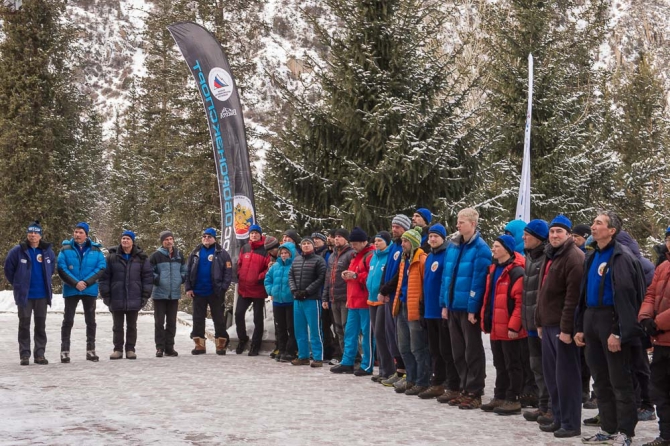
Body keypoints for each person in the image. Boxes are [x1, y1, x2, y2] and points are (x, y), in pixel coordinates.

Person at [575, 211, 646, 446]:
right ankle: (607, 427)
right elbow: (583, 294)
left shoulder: (621, 257)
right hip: (591, 318)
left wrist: (619, 331)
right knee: (600, 379)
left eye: (598, 223)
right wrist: (580, 326)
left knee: (620, 379)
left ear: (612, 230)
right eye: (594, 223)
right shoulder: (592, 255)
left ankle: (626, 431)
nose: (593, 227)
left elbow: (627, 297)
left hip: (611, 319)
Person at [535, 215, 584, 438]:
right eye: (552, 231)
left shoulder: (574, 257)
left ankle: (571, 422)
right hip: (548, 324)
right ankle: (558, 417)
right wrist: (539, 321)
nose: (554, 235)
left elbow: (572, 299)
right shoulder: (551, 255)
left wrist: (566, 330)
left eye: (559, 232)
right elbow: (542, 292)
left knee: (566, 378)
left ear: (568, 235)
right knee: (552, 377)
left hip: (563, 328)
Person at [439, 208, 491, 409]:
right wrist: (444, 303)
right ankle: (463, 386)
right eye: (457, 221)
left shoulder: (481, 249)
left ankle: (475, 390)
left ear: (473, 224)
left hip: (468, 309)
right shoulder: (453, 246)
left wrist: (473, 308)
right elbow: (447, 277)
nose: (458, 225)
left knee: (472, 351)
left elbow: (478, 282)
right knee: (458, 351)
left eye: (462, 222)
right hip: (453, 306)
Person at [480, 235, 527, 415]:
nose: (493, 249)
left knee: (513, 364)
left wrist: (514, 326)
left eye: (497, 246)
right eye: (493, 245)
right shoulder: (493, 269)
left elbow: (519, 302)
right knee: (500, 364)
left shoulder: (516, 271)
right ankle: (499, 395)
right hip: (496, 326)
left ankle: (513, 398)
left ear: (507, 249)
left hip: (510, 328)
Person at [4, 221, 56, 365]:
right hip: (25, 296)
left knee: (40, 326)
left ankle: (40, 354)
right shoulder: (17, 251)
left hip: (42, 295)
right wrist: (18, 284)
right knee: (24, 325)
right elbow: (8, 270)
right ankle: (24, 355)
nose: (33, 235)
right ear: (27, 234)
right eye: (31, 232)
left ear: (40, 235)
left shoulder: (47, 252)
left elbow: (51, 268)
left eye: (36, 232)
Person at [420, 224, 460, 400]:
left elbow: (448, 282)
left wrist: (445, 305)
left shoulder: (447, 255)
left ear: (443, 238)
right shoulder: (429, 257)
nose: (433, 239)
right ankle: (437, 382)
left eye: (436, 236)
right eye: (430, 236)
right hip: (429, 311)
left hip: (442, 310)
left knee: (446, 350)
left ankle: (452, 384)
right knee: (435, 350)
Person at [56, 221, 106, 363]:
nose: (77, 234)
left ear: (86, 235)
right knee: (68, 320)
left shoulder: (96, 250)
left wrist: (86, 282)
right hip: (71, 289)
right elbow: (61, 267)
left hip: (88, 289)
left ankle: (91, 350)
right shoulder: (65, 249)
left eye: (80, 232)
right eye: (76, 232)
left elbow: (101, 267)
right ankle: (64, 351)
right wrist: (75, 283)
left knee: (90, 321)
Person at [99, 230, 153, 360]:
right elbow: (104, 278)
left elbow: (147, 277)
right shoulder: (112, 257)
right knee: (117, 326)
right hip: (116, 297)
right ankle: (117, 349)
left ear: (132, 241)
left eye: (128, 239)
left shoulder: (141, 258)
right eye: (123, 238)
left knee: (132, 326)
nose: (125, 241)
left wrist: (145, 296)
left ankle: (130, 349)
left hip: (134, 297)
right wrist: (106, 296)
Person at [519, 219, 553, 423]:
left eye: (527, 235)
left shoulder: (547, 258)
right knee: (536, 367)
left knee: (547, 367)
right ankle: (543, 405)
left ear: (539, 238)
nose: (523, 238)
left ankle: (551, 407)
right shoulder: (529, 256)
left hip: (543, 323)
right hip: (530, 322)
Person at [639, 234, 670, 446]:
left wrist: (657, 323)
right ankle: (666, 435)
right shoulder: (663, 266)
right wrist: (645, 317)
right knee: (659, 390)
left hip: (663, 331)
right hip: (661, 341)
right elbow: (650, 294)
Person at [331, 227, 375, 375]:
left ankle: (367, 364)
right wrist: (347, 275)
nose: (353, 246)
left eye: (356, 243)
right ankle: (347, 361)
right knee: (349, 333)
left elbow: (372, 277)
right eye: (352, 243)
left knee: (367, 336)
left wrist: (355, 276)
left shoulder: (370, 255)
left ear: (364, 242)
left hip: (364, 302)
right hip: (353, 301)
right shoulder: (355, 256)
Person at [391, 228, 430, 395]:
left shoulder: (422, 259)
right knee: (404, 346)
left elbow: (425, 286)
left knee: (418, 347)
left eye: (406, 241)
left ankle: (422, 381)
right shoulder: (403, 259)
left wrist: (422, 308)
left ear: (413, 243)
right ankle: (410, 378)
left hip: (415, 308)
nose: (402, 244)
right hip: (402, 305)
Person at [185, 227, 233, 355]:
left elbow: (228, 272)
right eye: (204, 236)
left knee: (218, 318)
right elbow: (188, 270)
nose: (206, 239)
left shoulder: (222, 253)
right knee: (198, 319)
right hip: (198, 291)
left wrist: (223, 287)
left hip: (215, 292)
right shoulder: (196, 252)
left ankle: (220, 344)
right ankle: (199, 345)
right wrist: (188, 287)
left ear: (214, 238)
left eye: (209, 237)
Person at [378, 214, 412, 388]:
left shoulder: (406, 248)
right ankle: (398, 370)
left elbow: (400, 273)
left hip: (398, 295)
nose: (394, 229)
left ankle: (406, 371)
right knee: (390, 334)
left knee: (401, 336)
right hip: (389, 295)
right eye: (393, 226)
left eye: (398, 226)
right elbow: (387, 270)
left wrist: (387, 288)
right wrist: (382, 288)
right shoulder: (394, 246)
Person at [289, 237, 327, 367]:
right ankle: (303, 356)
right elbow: (291, 276)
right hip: (297, 300)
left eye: (308, 244)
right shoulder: (296, 260)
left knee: (315, 329)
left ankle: (318, 357)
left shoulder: (319, 260)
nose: (306, 246)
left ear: (313, 246)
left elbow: (321, 278)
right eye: (303, 244)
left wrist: (307, 291)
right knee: (299, 330)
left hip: (312, 299)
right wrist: (294, 290)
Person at [149, 230, 187, 357]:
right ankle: (159, 347)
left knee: (171, 322)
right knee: (159, 322)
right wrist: (158, 279)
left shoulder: (179, 255)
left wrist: (181, 278)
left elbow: (184, 270)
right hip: (160, 294)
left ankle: (169, 347)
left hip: (174, 294)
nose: (169, 241)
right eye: (166, 239)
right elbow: (149, 271)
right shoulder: (156, 256)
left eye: (171, 239)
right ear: (162, 241)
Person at [235, 224, 271, 356]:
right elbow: (239, 263)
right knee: (238, 314)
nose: (254, 235)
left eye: (256, 233)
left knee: (258, 318)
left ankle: (256, 344)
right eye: (252, 233)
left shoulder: (265, 249)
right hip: (244, 289)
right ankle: (242, 338)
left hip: (258, 289)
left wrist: (259, 277)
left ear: (260, 235)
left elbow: (269, 267)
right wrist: (239, 274)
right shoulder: (245, 247)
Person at [321, 228, 355, 363]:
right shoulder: (333, 256)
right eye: (335, 237)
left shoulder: (351, 254)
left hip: (346, 297)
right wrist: (325, 297)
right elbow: (328, 277)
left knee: (348, 329)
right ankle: (343, 356)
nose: (336, 239)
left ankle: (352, 357)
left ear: (346, 239)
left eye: (340, 237)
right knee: (338, 329)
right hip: (333, 297)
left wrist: (350, 297)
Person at [366, 231, 393, 382]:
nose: (376, 243)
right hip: (371, 299)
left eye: (380, 241)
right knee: (377, 335)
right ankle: (383, 369)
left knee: (383, 335)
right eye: (375, 241)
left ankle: (389, 370)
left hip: (383, 299)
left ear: (387, 242)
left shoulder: (389, 257)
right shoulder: (373, 257)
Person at [264, 243, 297, 362]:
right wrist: (271, 291)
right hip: (277, 301)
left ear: (291, 253)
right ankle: (282, 349)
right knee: (280, 328)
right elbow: (268, 279)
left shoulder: (294, 266)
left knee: (291, 327)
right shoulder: (275, 266)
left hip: (290, 301)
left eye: (286, 253)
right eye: (282, 253)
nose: (283, 255)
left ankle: (291, 351)